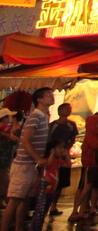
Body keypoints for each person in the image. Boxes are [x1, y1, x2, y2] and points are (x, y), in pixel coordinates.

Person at [2, 86, 52, 231]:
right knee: (15, 199)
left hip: (32, 165)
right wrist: (38, 159)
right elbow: (25, 141)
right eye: (48, 94)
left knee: (26, 199)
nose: (51, 96)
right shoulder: (35, 117)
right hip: (24, 164)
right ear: (39, 100)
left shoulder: (43, 117)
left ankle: (19, 228)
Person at [46, 103, 76, 217]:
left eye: (70, 108)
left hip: (64, 155)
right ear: (60, 110)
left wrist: (65, 150)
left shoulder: (71, 125)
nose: (68, 110)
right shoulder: (53, 125)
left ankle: (54, 205)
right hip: (53, 156)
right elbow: (49, 140)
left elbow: (73, 139)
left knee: (60, 182)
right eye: (66, 108)